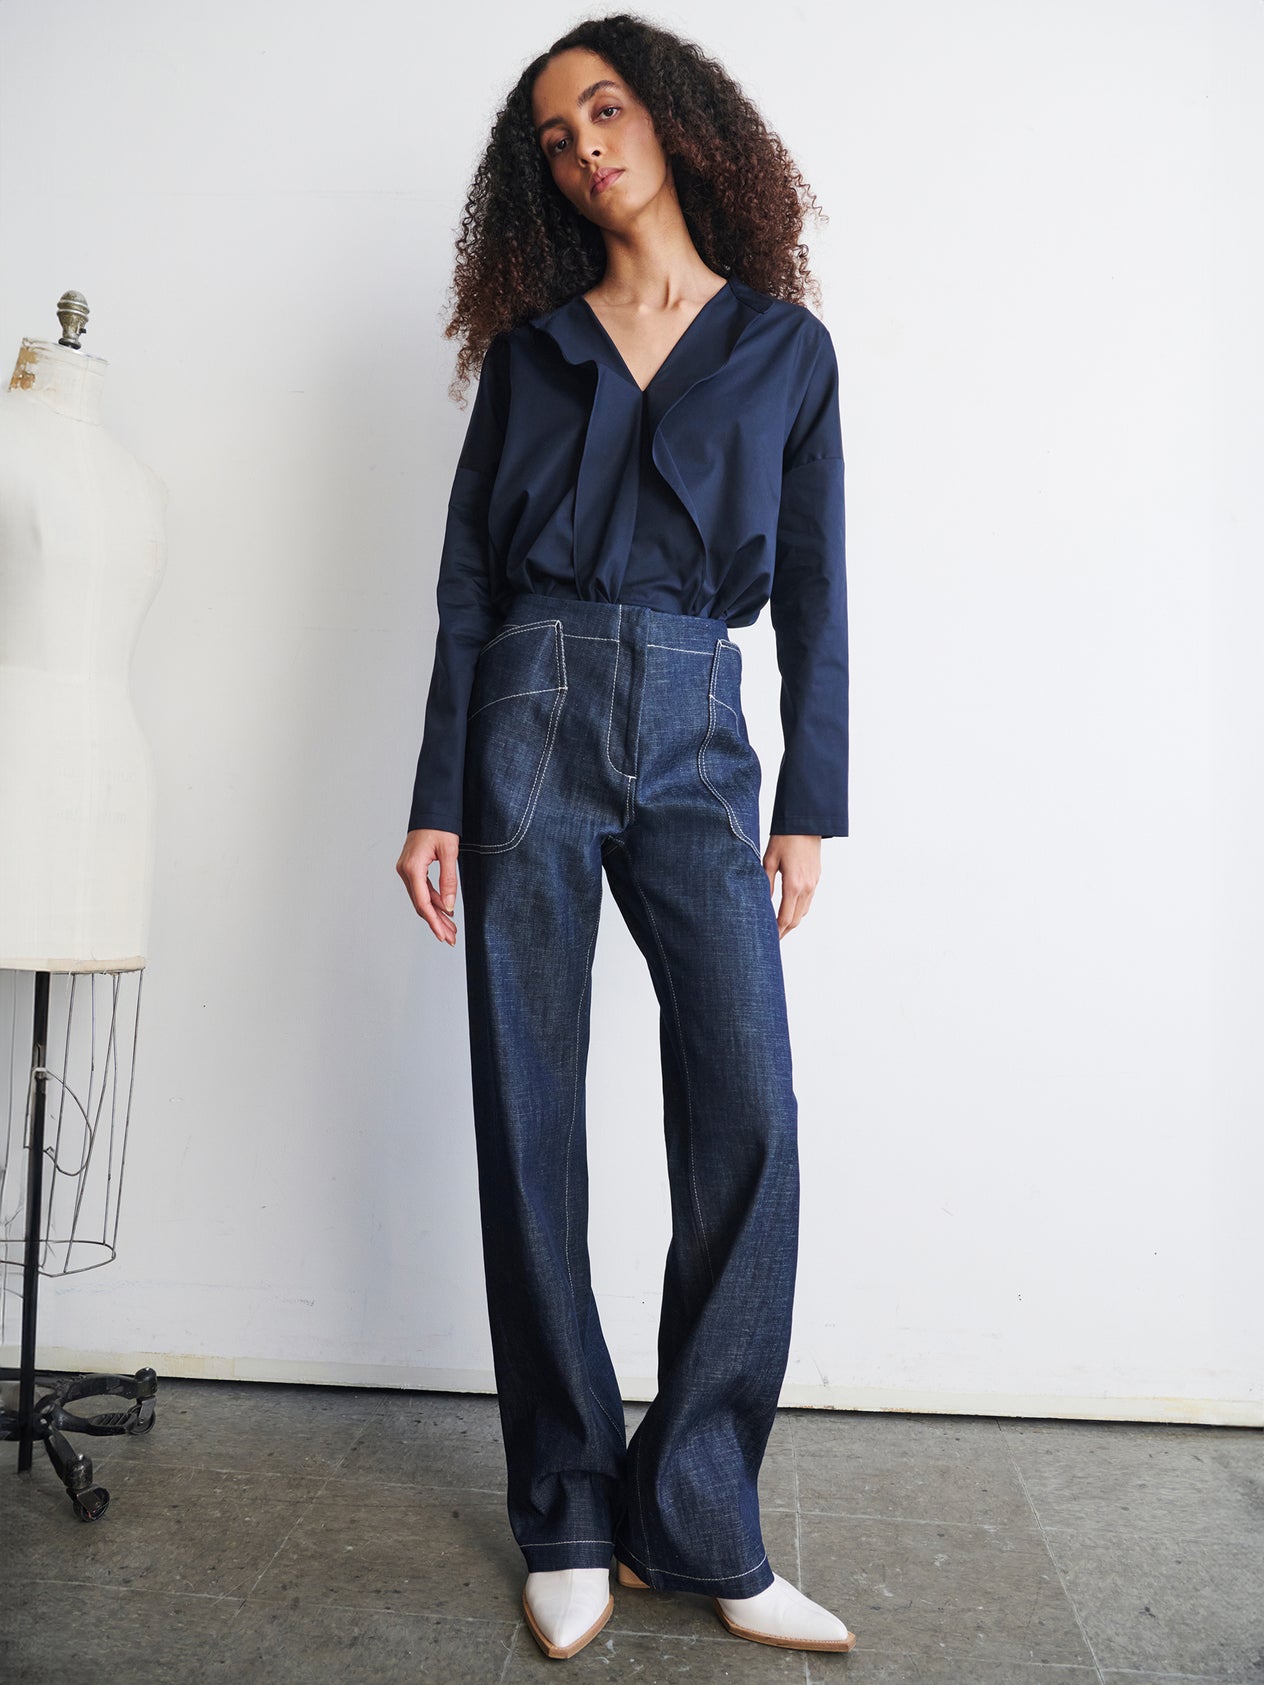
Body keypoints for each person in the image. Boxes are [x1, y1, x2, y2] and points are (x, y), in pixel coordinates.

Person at [396, 13, 854, 1662]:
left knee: (748, 1107)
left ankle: (704, 1515)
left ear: (673, 118)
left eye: (604, 107)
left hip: (694, 730)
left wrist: (810, 802)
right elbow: (466, 583)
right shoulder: (532, 352)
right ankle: (572, 1511)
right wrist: (438, 789)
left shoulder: (781, 353)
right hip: (524, 716)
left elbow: (812, 594)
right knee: (532, 1119)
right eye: (553, 133)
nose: (584, 144)